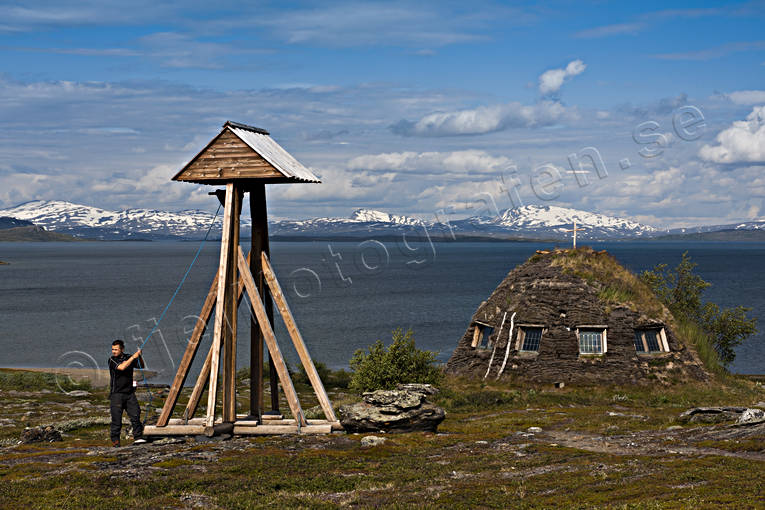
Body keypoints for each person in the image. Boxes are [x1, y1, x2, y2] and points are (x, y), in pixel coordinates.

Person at [108, 339, 146, 446]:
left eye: (116, 349)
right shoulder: (112, 360)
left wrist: (139, 356)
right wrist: (133, 357)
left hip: (129, 393)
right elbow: (122, 367)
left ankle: (138, 437)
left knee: (136, 415)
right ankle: (115, 441)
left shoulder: (128, 357)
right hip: (117, 394)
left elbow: (141, 366)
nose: (113, 351)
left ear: (122, 349)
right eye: (112, 349)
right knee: (117, 419)